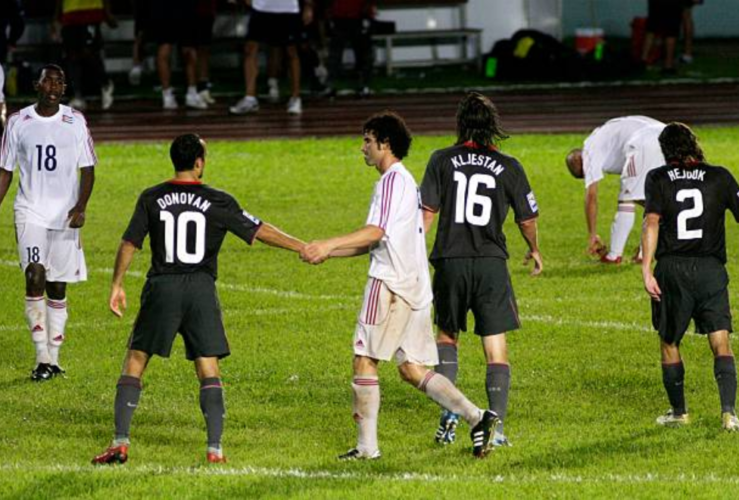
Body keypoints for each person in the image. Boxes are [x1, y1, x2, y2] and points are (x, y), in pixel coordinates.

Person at [92, 134, 305, 465]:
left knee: (136, 359)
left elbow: (129, 243)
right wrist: (302, 246)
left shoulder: (151, 197)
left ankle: (120, 443)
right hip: (201, 289)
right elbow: (259, 230)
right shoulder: (218, 200)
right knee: (208, 365)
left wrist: (117, 284)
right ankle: (215, 449)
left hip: (162, 287)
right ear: (199, 162)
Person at [300, 111, 498, 460]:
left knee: (364, 359)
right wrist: (329, 253)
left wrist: (328, 243)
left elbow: (375, 232)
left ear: (385, 143)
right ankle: (477, 417)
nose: (362, 147)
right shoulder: (404, 181)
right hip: (415, 284)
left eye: (367, 140)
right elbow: (377, 240)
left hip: (390, 284)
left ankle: (366, 449)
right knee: (411, 369)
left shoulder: (391, 181)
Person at [420, 93, 542, 447]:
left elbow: (427, 213)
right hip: (491, 263)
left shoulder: (441, 159)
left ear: (460, 123)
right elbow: (527, 218)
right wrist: (534, 249)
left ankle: (449, 414)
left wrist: (413, 252)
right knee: (495, 345)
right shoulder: (509, 165)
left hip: (450, 260)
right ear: (493, 125)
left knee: (447, 337)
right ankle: (496, 428)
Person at [0, 64, 96, 381]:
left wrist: (81, 206)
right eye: (48, 81)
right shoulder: (18, 122)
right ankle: (41, 356)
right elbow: (5, 171)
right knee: (35, 274)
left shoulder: (75, 121)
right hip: (30, 211)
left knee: (57, 285)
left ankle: (54, 357)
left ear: (64, 89)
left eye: (59, 82)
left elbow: (88, 168)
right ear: (37, 85)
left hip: (65, 215)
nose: (54, 86)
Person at [642, 122, 739, 431]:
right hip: (711, 270)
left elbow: (651, 222)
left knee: (669, 341)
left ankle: (679, 413)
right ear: (694, 143)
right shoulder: (720, 176)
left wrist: (646, 269)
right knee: (720, 341)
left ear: (665, 150)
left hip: (673, 270)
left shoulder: (658, 178)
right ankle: (729, 413)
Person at [565, 116, 666, 264]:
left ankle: (614, 256)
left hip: (644, 142)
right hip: (667, 134)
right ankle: (644, 252)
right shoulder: (602, 136)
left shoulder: (589, 152)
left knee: (628, 198)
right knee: (653, 197)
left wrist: (592, 234)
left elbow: (591, 197)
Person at [229, 0, 313, 116]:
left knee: (291, 51)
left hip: (288, 10)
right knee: (250, 49)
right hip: (261, 8)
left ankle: (295, 98)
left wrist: (308, 5)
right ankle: (250, 98)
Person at [54, 0, 116, 110]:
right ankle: (78, 96)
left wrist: (107, 13)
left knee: (89, 53)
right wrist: (56, 18)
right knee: (71, 56)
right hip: (70, 15)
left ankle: (105, 84)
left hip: (90, 13)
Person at [150, 0, 209, 110]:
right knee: (166, 47)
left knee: (188, 48)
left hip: (183, 6)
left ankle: (190, 93)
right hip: (165, 7)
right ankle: (168, 95)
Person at [322, 0, 375, 98]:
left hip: (359, 17)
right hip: (339, 18)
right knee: (334, 55)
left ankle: (364, 85)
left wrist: (367, 15)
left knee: (363, 54)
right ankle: (330, 85)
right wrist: (329, 14)